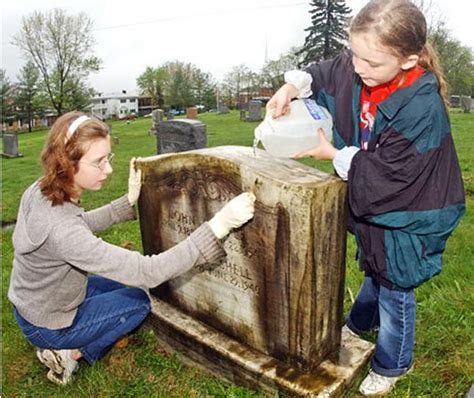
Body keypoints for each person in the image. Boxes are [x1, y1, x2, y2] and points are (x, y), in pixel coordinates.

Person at [267, 0, 465, 395]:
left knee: (396, 286)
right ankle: (358, 325)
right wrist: (290, 88)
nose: (358, 68)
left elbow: (392, 177)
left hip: (412, 211)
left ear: (409, 60)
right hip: (381, 207)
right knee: (376, 268)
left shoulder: (421, 106)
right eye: (355, 54)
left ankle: (394, 364)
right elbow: (324, 72)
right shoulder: (360, 63)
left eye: (371, 63)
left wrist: (334, 156)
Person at [8, 111, 256, 385]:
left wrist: (126, 203)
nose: (109, 169)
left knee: (119, 288)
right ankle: (70, 353)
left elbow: (79, 224)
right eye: (98, 162)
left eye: (108, 158)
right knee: (139, 300)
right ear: (67, 163)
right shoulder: (62, 230)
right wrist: (218, 226)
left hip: (35, 306)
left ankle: (64, 341)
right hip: (48, 325)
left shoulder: (39, 190)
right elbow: (146, 271)